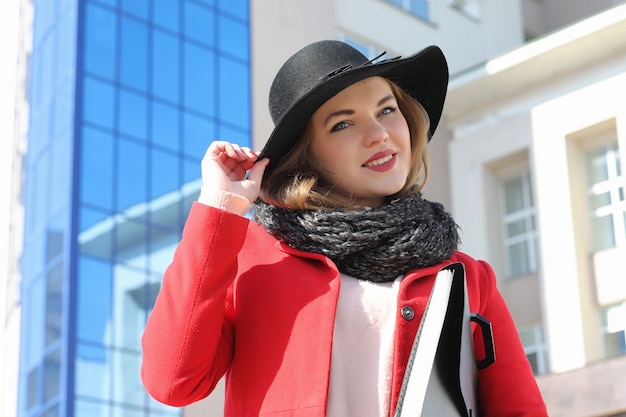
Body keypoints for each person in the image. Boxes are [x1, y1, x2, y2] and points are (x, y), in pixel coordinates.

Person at [141, 40, 548, 416]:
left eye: (387, 110)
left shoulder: (468, 277)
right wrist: (220, 206)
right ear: (306, 157)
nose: (378, 134)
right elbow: (172, 381)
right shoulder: (252, 260)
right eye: (342, 124)